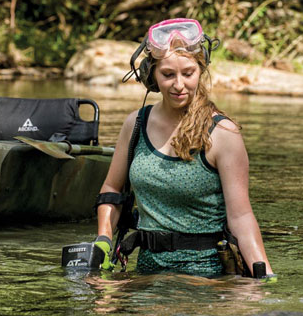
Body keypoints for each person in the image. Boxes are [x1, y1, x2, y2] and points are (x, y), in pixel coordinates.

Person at [93, 18, 274, 278]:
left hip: (207, 279)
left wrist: (264, 276)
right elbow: (111, 190)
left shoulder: (223, 134)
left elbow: (242, 217)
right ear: (151, 75)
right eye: (168, 75)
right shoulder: (135, 124)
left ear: (201, 71)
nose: (179, 85)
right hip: (147, 275)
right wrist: (103, 239)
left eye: (188, 73)